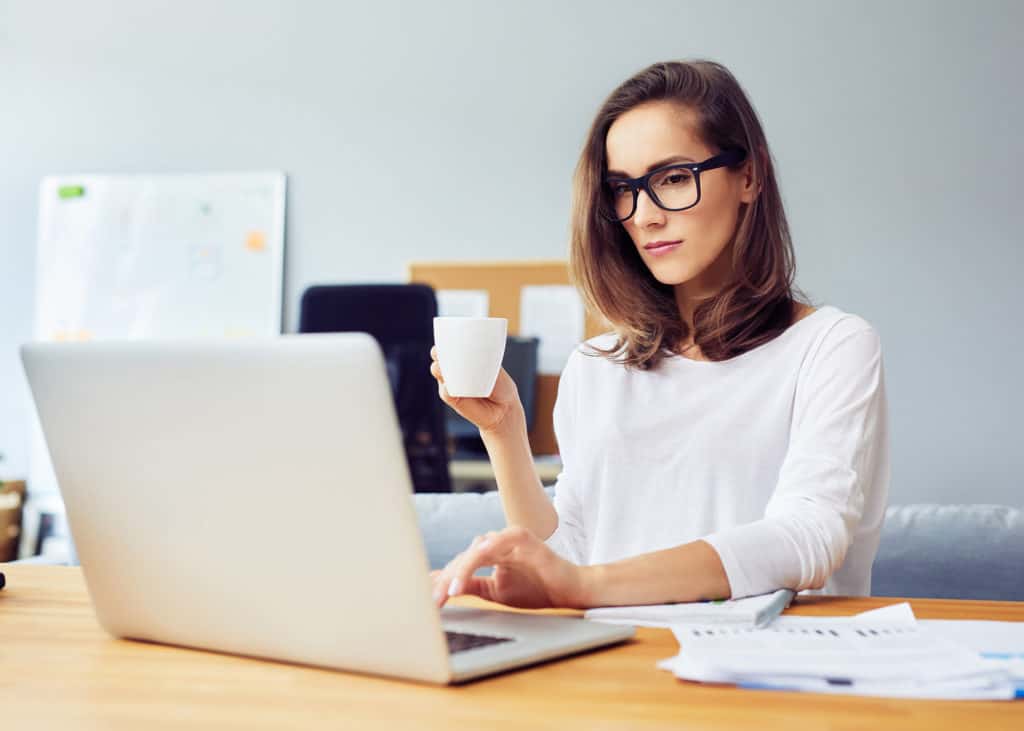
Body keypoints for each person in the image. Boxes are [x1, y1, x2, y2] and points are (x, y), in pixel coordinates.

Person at [428, 59, 889, 609]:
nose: (643, 215)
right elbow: (571, 554)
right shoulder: (597, 363)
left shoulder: (832, 348)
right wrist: (504, 432)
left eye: (672, 178)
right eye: (623, 189)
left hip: (767, 674)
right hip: (617, 665)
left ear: (750, 176)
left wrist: (585, 587)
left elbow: (807, 539)